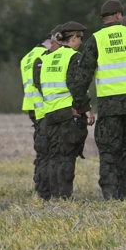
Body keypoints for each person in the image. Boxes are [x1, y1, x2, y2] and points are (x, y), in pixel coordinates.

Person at [73, 0, 126, 200]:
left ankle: (111, 194)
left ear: (104, 19)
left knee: (109, 152)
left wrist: (81, 104)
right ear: (119, 15)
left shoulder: (96, 39)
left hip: (109, 107)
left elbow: (82, 76)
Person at [34, 22, 94, 199]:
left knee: (54, 156)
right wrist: (86, 109)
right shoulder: (74, 57)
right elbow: (77, 86)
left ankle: (54, 195)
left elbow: (40, 85)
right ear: (73, 37)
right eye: (80, 38)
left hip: (50, 113)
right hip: (68, 113)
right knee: (67, 155)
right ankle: (64, 196)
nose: (81, 42)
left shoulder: (47, 58)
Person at [21, 26, 58, 199]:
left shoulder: (27, 57)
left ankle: (41, 187)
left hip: (31, 105)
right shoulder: (44, 56)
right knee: (49, 151)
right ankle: (47, 189)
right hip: (44, 107)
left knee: (41, 150)